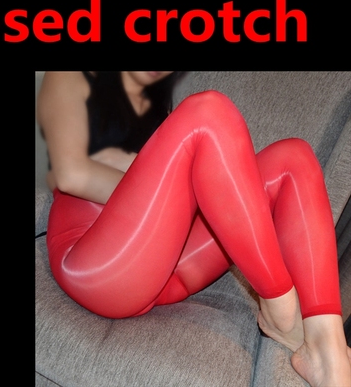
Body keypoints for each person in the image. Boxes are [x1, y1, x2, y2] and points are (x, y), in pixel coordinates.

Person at [37, 71, 351, 387]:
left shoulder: (156, 102)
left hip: (163, 269)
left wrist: (190, 195)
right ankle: (280, 309)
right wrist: (175, 200)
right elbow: (71, 174)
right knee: (208, 112)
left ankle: (328, 348)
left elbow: (165, 181)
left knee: (294, 157)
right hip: (97, 268)